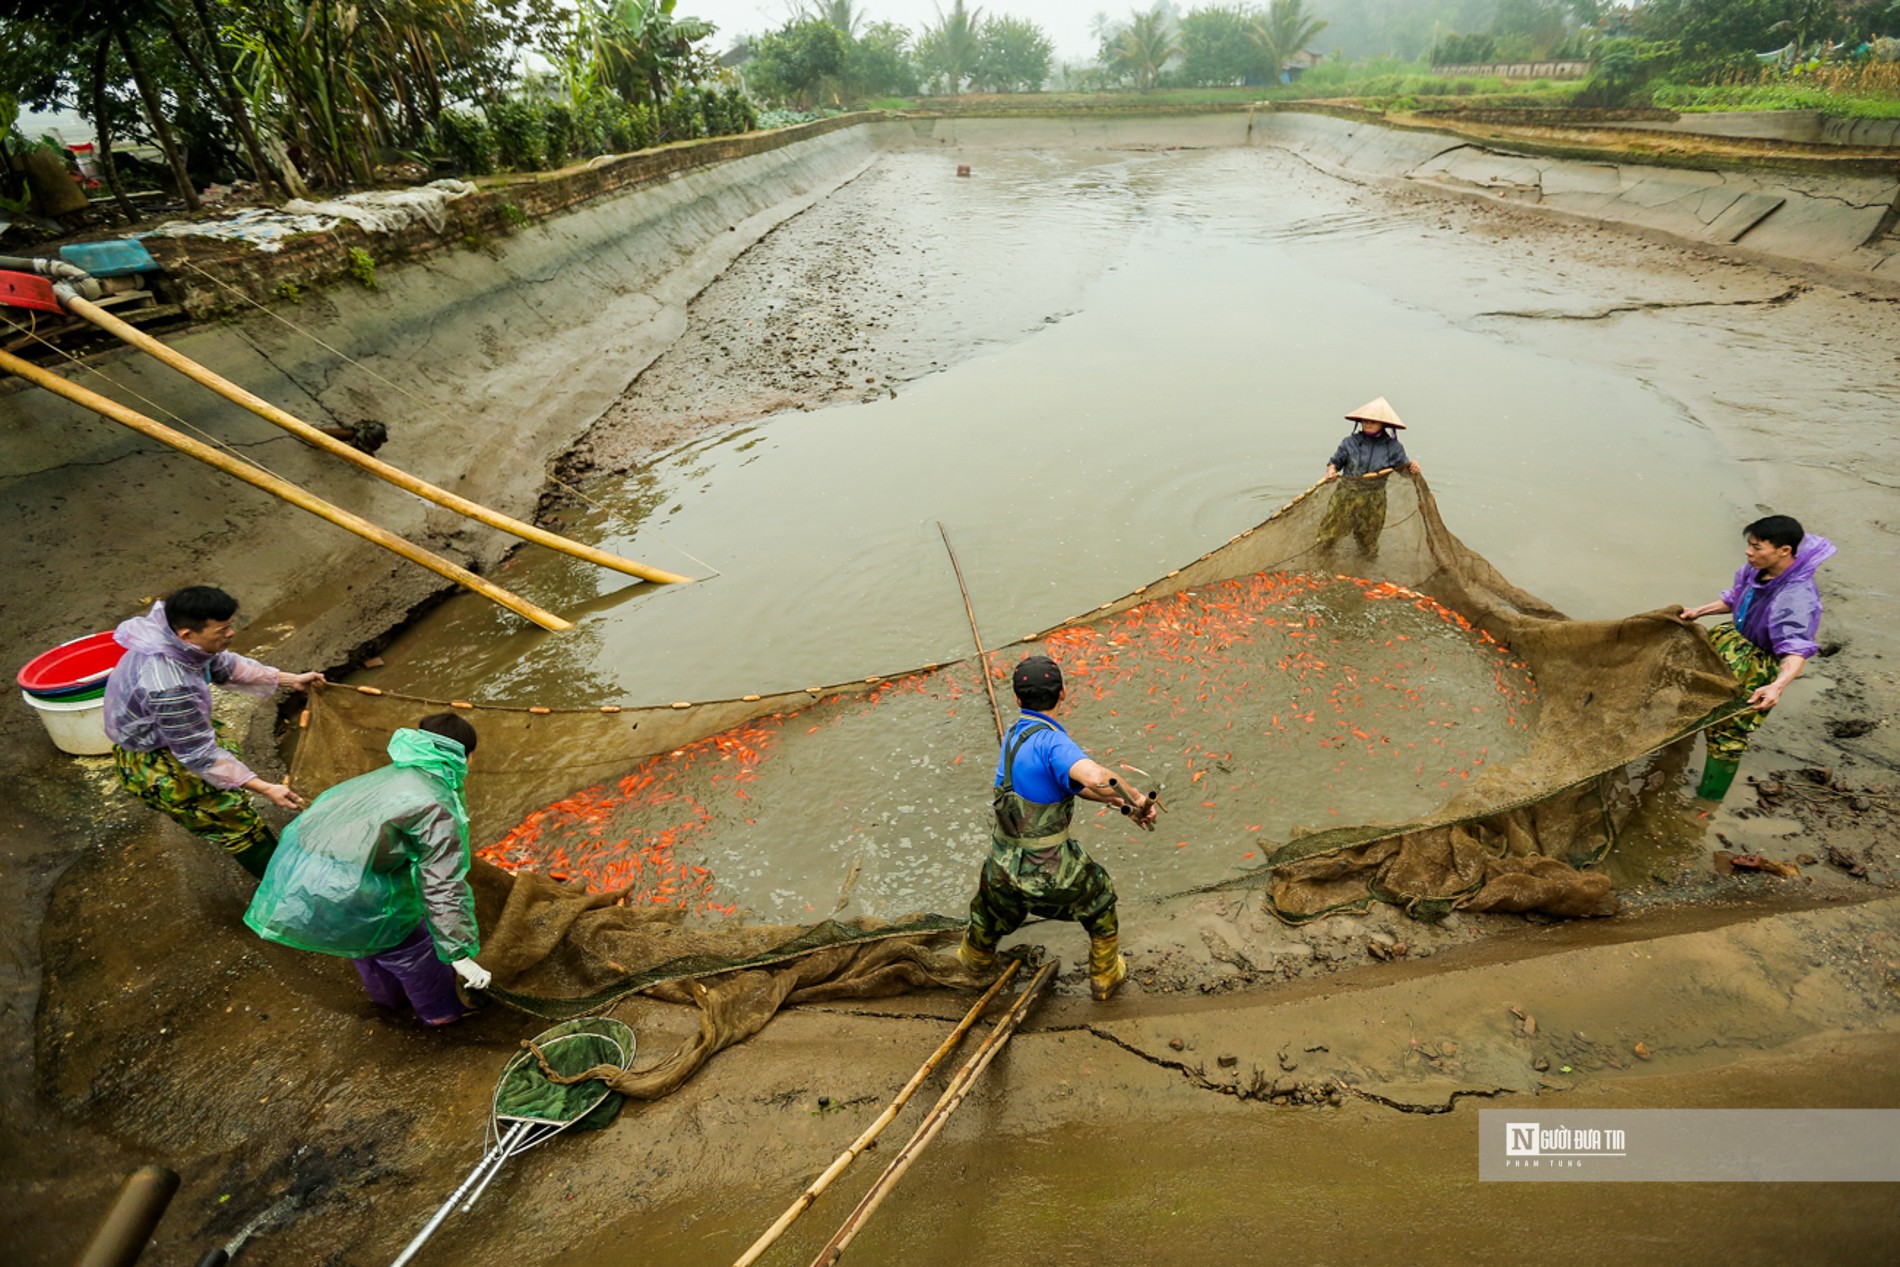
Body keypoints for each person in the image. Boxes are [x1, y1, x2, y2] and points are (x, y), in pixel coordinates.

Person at [244, 713, 492, 1025]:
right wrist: (458, 954)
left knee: (365, 943)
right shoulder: (437, 804)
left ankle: (389, 1002)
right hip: (351, 892)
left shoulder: (387, 776)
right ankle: (442, 1014)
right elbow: (443, 886)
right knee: (414, 949)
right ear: (465, 757)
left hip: (298, 882)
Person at [958, 655, 1159, 1001]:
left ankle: (971, 967)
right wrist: (1137, 798)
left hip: (1002, 870)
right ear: (1063, 693)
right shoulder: (1054, 743)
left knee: (988, 915)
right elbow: (1096, 777)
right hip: (1050, 874)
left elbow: (1074, 786)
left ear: (1018, 701)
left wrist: (1119, 805)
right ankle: (1105, 977)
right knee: (1100, 901)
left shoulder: (1013, 739)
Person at [104, 585, 325, 877]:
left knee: (232, 796)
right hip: (161, 760)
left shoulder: (182, 642)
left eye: (230, 626)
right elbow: (198, 754)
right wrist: (266, 787)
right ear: (187, 634)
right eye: (222, 630)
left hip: (178, 735)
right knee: (235, 824)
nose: (230, 635)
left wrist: (290, 679)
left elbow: (225, 665)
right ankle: (288, 884)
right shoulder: (171, 687)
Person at [1679, 515, 1835, 801]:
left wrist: (1777, 685)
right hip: (1730, 642)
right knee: (1696, 698)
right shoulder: (1756, 570)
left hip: (1756, 665)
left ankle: (1707, 802)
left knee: (1729, 733)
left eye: (1757, 547)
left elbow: (1796, 649)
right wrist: (1698, 611)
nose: (1748, 552)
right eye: (1749, 545)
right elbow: (1736, 598)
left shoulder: (1797, 597)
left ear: (1784, 551)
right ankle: (1680, 745)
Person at [1316, 396, 1421, 560]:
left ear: (1383, 424)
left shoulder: (1393, 447)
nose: (1367, 424)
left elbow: (1403, 470)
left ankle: (1366, 566)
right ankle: (1323, 561)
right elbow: (1334, 463)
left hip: (1374, 497)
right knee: (1329, 534)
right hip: (1346, 494)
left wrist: (1412, 467)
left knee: (1368, 541)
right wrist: (1331, 471)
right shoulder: (1350, 442)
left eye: (1373, 421)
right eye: (1365, 421)